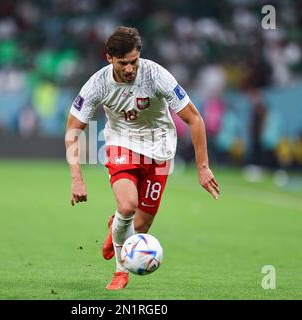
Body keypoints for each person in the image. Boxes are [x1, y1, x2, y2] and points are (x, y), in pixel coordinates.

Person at [65, 26, 220, 290]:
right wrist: (76, 178)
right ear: (109, 58)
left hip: (159, 148)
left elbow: (194, 119)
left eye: (133, 61)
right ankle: (120, 273)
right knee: (127, 206)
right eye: (123, 63)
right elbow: (73, 130)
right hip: (121, 143)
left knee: (140, 226)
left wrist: (203, 167)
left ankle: (116, 226)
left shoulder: (156, 75)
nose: (129, 69)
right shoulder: (97, 84)